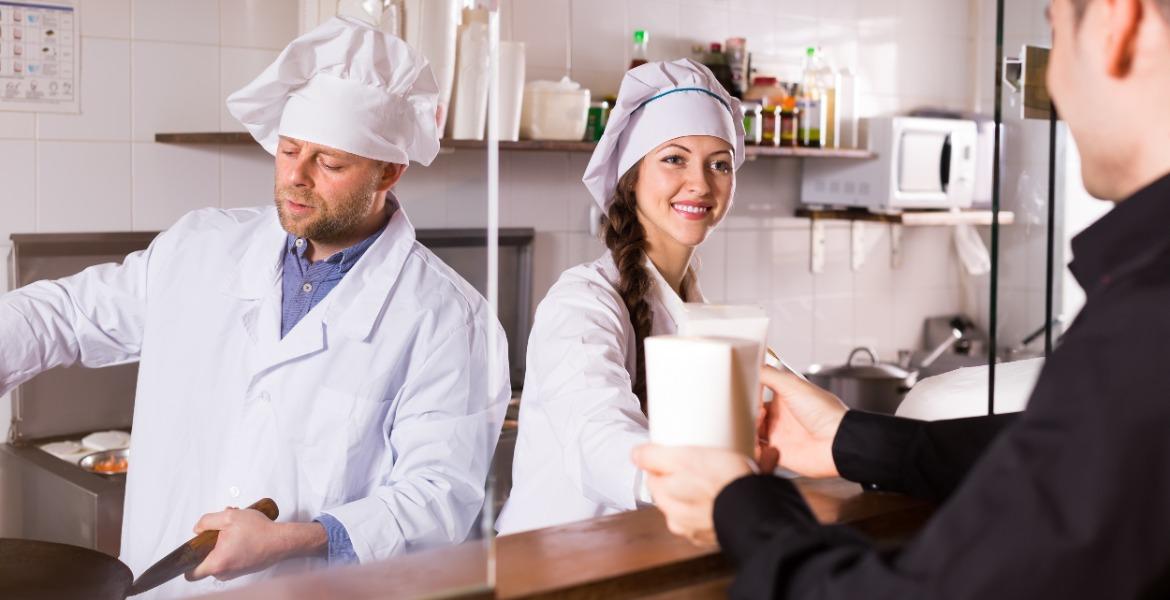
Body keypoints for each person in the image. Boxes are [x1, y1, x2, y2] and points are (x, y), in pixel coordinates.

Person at [633, 0, 1170, 596]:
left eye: (1054, 32)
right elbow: (1069, 468)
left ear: (1120, 25)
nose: (1052, 87)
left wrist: (742, 507)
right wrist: (850, 441)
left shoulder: (1149, 320)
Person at [0, 17, 509, 598]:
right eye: (288, 149)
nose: (296, 176)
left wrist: (298, 539)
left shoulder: (448, 319)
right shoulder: (202, 248)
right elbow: (63, 314)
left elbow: (436, 498)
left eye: (330, 163)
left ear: (388, 171)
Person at [494, 59, 748, 534]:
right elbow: (597, 429)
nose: (701, 182)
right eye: (674, 158)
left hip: (644, 555)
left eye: (720, 164)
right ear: (631, 178)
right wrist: (683, 485)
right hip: (554, 566)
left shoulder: (700, 313)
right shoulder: (582, 302)